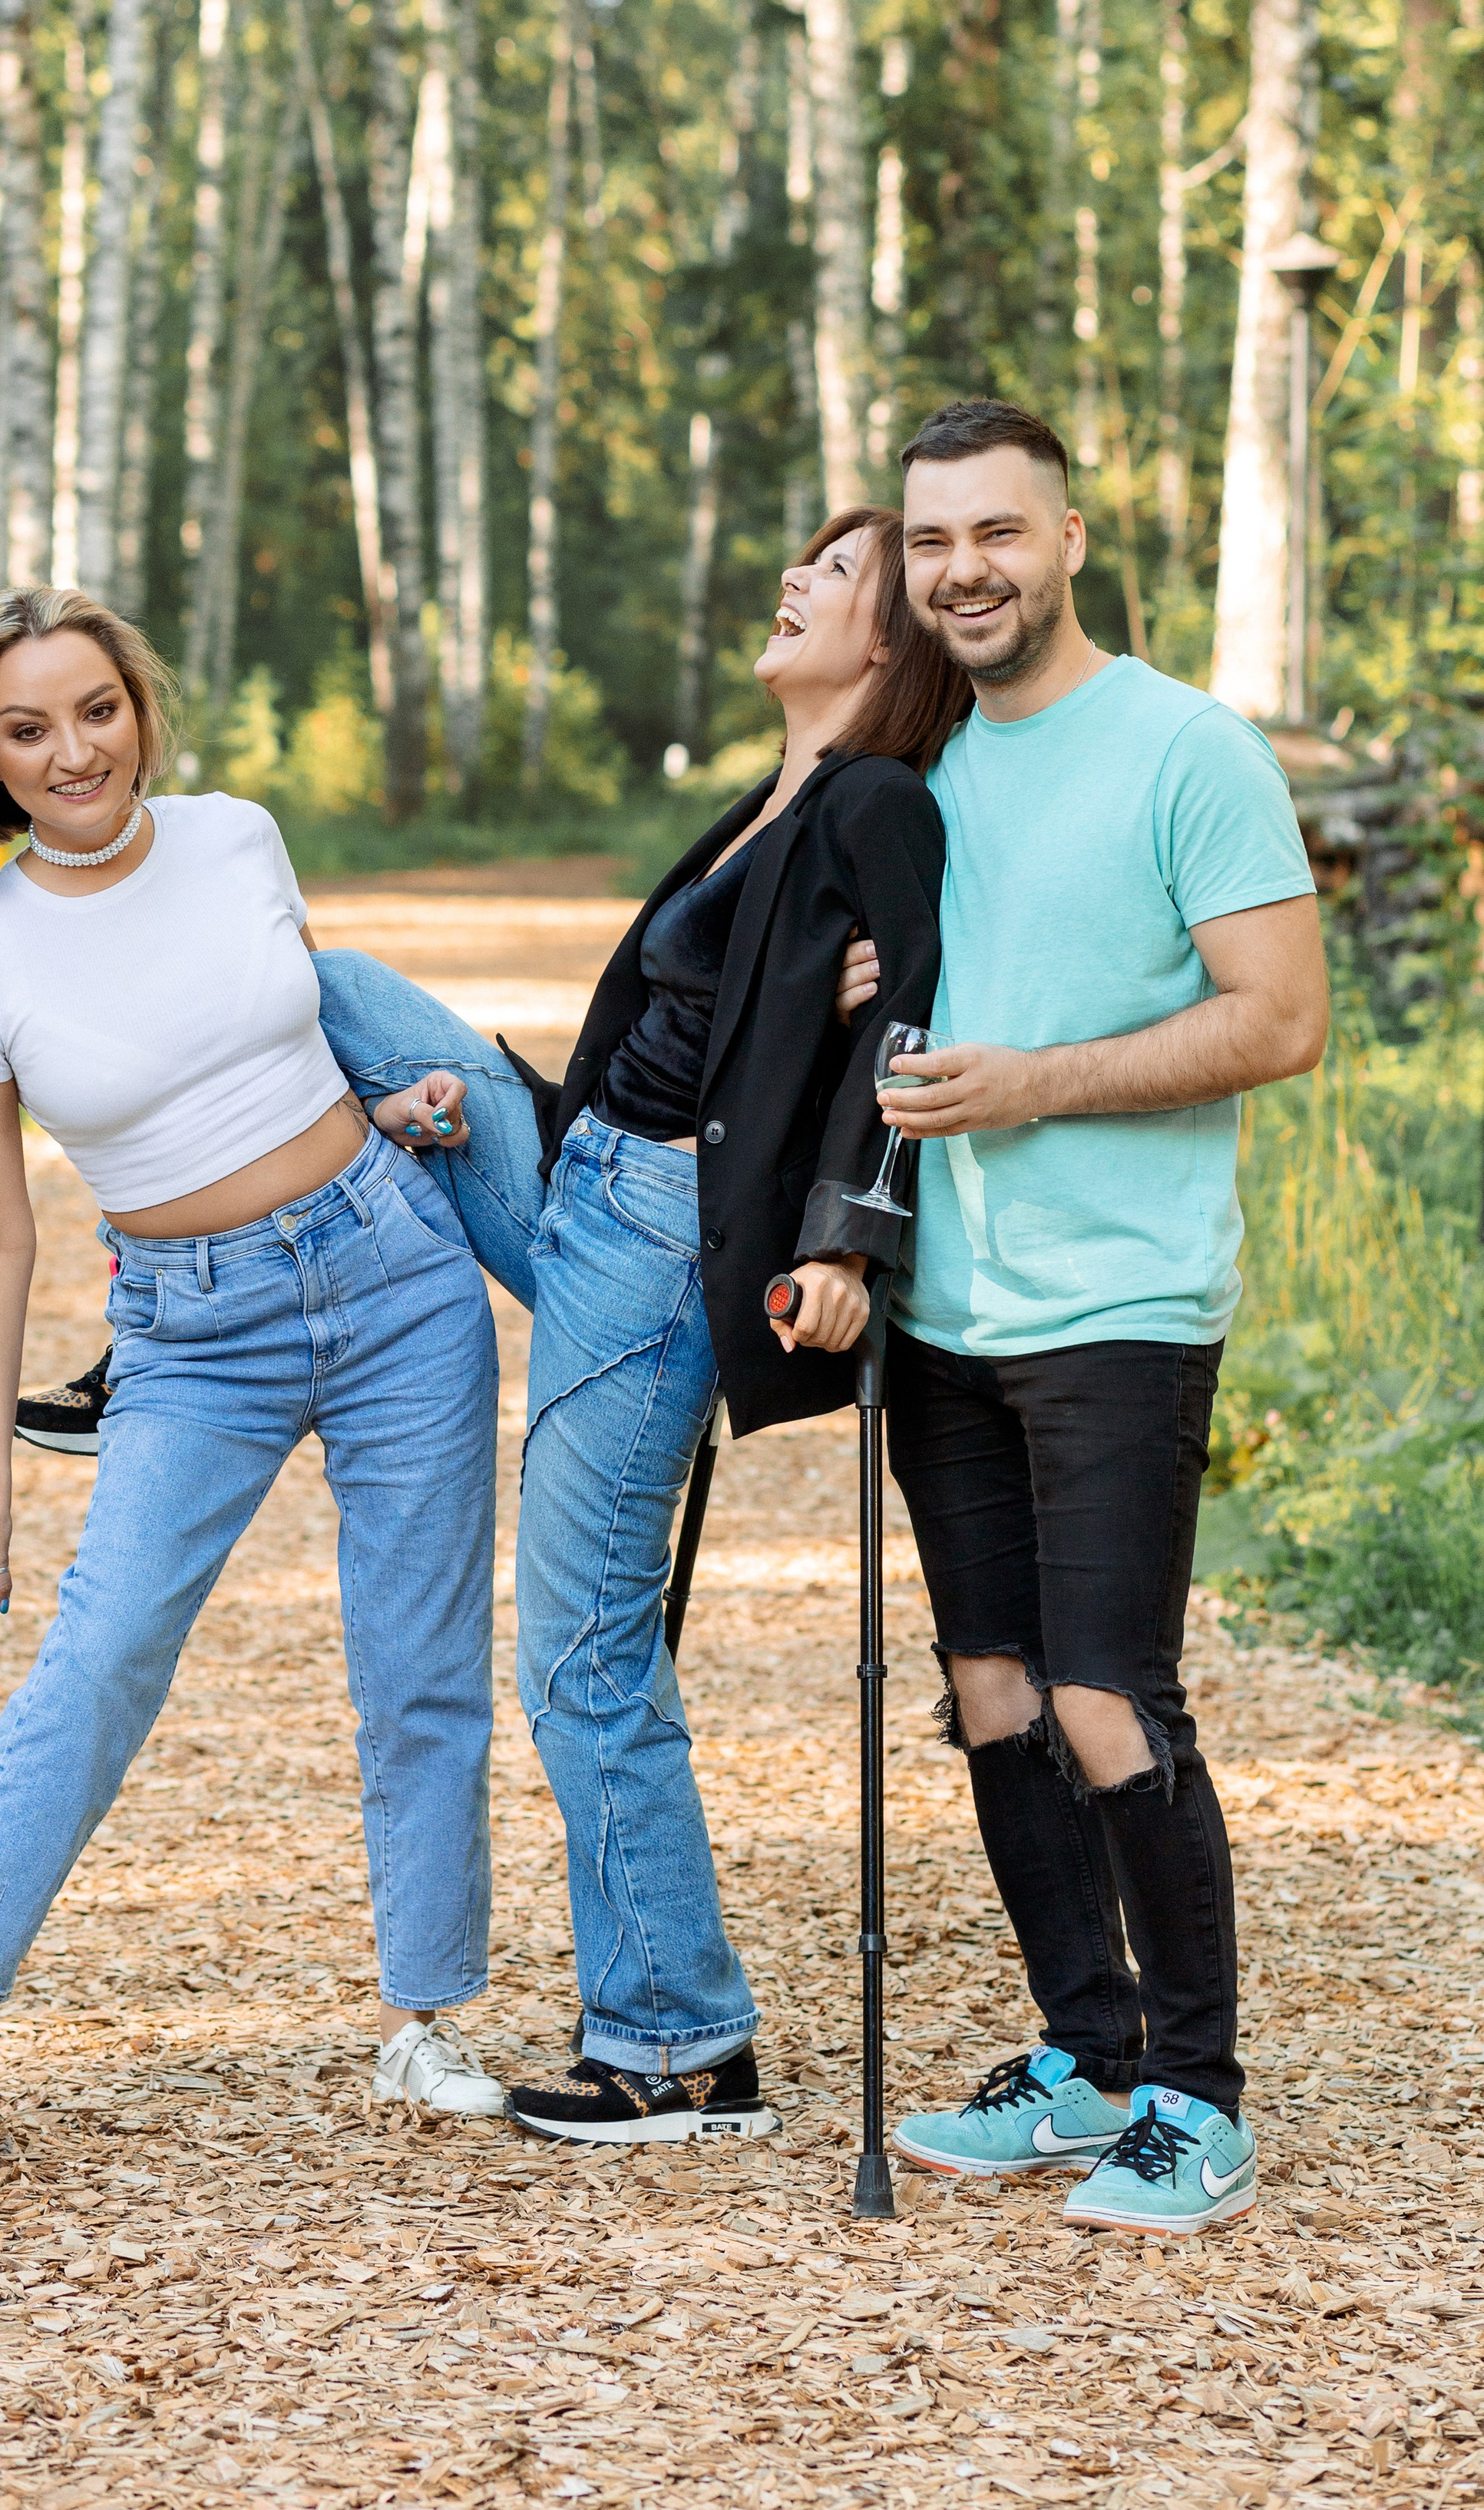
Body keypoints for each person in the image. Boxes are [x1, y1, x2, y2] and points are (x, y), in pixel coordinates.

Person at [252, 510, 962, 2144]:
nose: (794, 578)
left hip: (657, 1246)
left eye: (837, 574)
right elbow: (729, 1008)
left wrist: (846, 1232)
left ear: (892, 643)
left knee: (578, 1653)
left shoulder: (877, 802)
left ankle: (677, 2043)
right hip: (582, 1171)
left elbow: (910, 1025)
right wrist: (467, 1104)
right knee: (337, 988)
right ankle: (161, 1309)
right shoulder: (768, 800)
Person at [0, 587, 507, 2194]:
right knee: (96, 1658)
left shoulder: (236, 839)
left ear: (137, 708)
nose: (72, 750)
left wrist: (404, 1100)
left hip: (393, 1270)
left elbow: (294, 1036)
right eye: (27, 728)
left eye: (94, 709)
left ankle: (423, 2013)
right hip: (190, 1333)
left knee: (419, 1662)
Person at [836, 398, 1328, 2237]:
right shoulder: (924, 764)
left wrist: (1034, 1081)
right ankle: (1086, 2052)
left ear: (1065, 537)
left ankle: (1198, 2097)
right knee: (988, 1695)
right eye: (932, 539)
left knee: (1108, 1697)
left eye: (996, 532)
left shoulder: (1183, 750)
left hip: (1115, 1300)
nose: (962, 568)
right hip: (944, 1307)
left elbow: (1277, 1018)